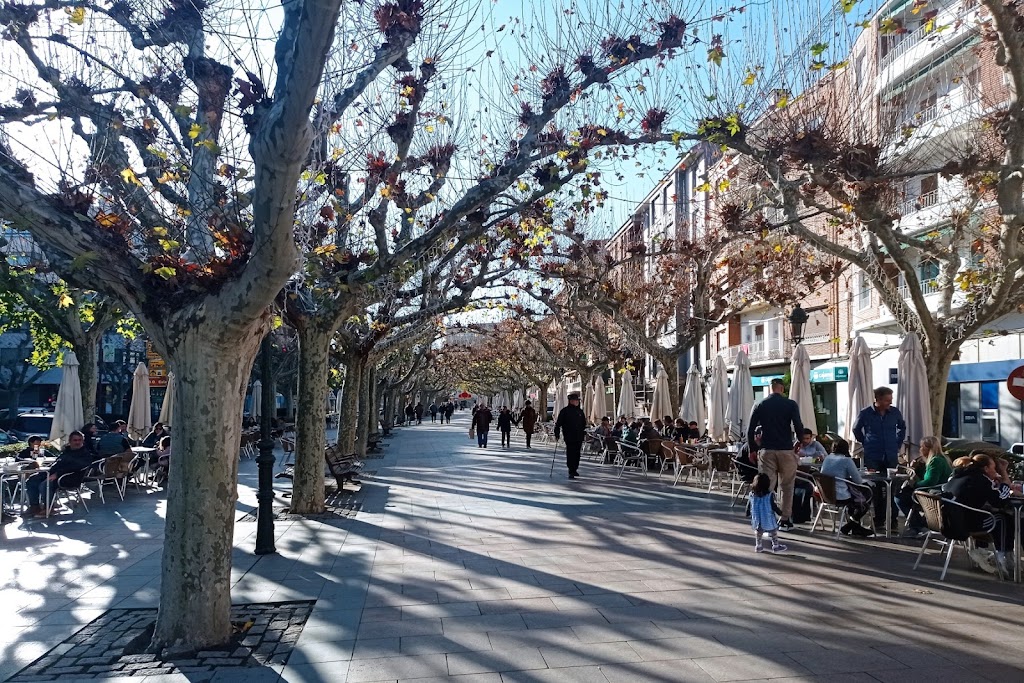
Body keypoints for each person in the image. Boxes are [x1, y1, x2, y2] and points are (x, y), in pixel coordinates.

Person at [747, 377, 804, 531]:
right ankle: (785, 520)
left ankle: (765, 520)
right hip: (786, 449)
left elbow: (750, 429)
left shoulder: (760, 404)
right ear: (782, 389)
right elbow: (798, 425)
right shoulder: (790, 404)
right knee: (787, 486)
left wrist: (752, 449)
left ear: (770, 388)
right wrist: (800, 441)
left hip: (767, 451)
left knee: (766, 486)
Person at [944, 453, 1015, 575]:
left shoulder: (959, 475)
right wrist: (1004, 477)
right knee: (1003, 518)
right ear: (986, 469)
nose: (994, 471)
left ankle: (981, 551)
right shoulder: (981, 480)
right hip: (964, 524)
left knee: (989, 513)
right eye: (993, 468)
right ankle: (1001, 557)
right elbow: (1000, 501)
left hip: (950, 520)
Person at [852, 387, 906, 532]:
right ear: (878, 399)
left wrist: (897, 443)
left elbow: (902, 427)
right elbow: (856, 429)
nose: (890, 402)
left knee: (892, 487)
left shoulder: (895, 412)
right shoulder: (865, 413)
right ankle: (879, 519)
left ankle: (893, 520)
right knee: (876, 488)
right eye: (888, 400)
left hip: (890, 455)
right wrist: (866, 442)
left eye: (891, 399)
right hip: (873, 455)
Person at [23, 431, 95, 517]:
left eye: (80, 440)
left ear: (83, 441)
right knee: (32, 479)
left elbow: (76, 466)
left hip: (69, 478)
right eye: (75, 440)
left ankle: (49, 508)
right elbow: (58, 462)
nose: (77, 442)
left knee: (45, 484)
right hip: (54, 473)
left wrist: (57, 474)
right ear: (70, 441)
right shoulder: (67, 451)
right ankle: (34, 506)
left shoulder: (85, 454)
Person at [896, 435, 953, 536]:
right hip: (935, 491)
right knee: (904, 495)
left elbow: (930, 481)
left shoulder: (936, 461)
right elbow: (927, 476)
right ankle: (920, 524)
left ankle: (917, 526)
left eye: (922, 447)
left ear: (929, 448)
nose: (920, 449)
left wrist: (914, 483)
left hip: (933, 494)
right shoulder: (939, 458)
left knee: (900, 498)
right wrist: (917, 468)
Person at [820, 437, 873, 537]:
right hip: (841, 496)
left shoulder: (827, 458)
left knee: (857, 498)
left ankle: (854, 527)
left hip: (826, 495)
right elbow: (858, 480)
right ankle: (850, 525)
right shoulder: (846, 460)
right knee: (867, 495)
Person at [749, 473, 787, 553]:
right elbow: (773, 506)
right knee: (773, 532)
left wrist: (747, 512)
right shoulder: (769, 495)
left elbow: (750, 504)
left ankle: (758, 546)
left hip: (757, 518)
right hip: (768, 517)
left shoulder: (752, 495)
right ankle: (775, 546)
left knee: (759, 533)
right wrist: (780, 512)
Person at [554, 392, 587, 479]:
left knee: (577, 454)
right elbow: (558, 424)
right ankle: (571, 470)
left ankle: (575, 468)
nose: (577, 402)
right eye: (575, 400)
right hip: (569, 436)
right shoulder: (564, 411)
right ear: (571, 401)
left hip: (579, 436)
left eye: (577, 400)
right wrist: (556, 433)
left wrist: (584, 431)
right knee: (570, 453)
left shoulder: (580, 411)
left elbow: (584, 423)